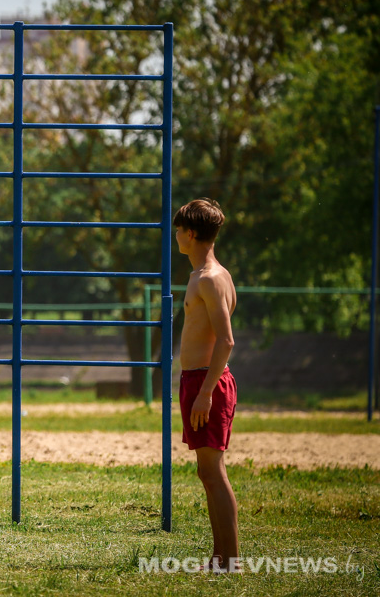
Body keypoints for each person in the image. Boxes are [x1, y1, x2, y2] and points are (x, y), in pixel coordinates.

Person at [174, 198, 239, 572]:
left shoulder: (210, 279)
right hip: (196, 380)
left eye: (179, 230)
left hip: (206, 382)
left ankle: (230, 561)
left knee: (213, 473)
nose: (176, 236)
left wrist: (205, 393)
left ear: (191, 233)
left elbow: (226, 341)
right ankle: (220, 558)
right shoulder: (208, 275)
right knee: (208, 472)